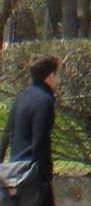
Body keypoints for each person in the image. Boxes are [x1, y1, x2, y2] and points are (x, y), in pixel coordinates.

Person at [1, 54, 60, 206]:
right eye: (56, 74)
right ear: (49, 76)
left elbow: (8, 132)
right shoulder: (45, 100)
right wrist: (45, 175)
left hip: (14, 170)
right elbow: (40, 140)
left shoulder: (22, 96)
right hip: (33, 172)